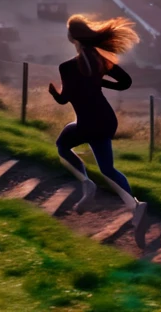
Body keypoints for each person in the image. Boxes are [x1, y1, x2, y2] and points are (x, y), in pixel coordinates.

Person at [48, 13, 150, 247]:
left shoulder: (67, 67)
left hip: (87, 123)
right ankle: (136, 207)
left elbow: (65, 100)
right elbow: (125, 83)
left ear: (72, 37)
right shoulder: (100, 61)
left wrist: (55, 93)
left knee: (63, 145)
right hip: (106, 120)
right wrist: (99, 81)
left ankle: (86, 183)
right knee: (108, 168)